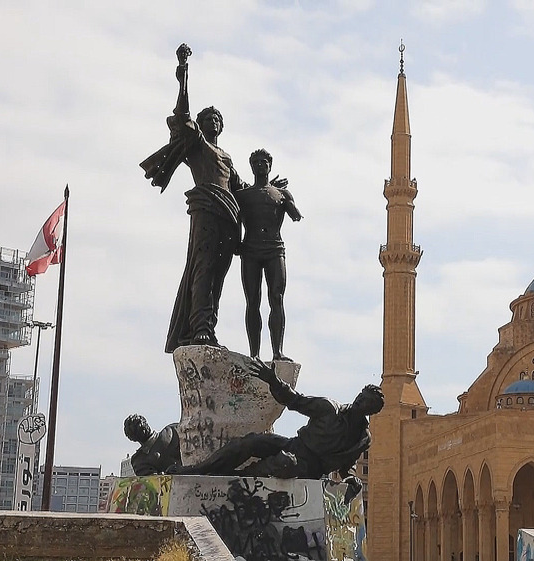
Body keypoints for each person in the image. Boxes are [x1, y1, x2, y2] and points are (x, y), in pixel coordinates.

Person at [140, 43, 245, 352]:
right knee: (203, 268)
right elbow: (182, 113)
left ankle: (208, 328)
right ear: (201, 125)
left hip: (229, 219)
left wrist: (272, 192)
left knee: (218, 277)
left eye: (218, 118)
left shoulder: (226, 158)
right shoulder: (199, 145)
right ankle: (198, 327)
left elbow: (243, 189)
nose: (214, 121)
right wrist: (183, 75)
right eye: (209, 117)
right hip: (207, 212)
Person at [175, 359, 383, 500]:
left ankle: (233, 482)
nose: (359, 402)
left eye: (365, 402)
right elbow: (294, 400)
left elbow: (347, 466)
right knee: (253, 442)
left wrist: (351, 477)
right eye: (360, 397)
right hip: (294, 444)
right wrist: (273, 380)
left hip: (309, 469)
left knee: (283, 463)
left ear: (370, 411)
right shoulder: (329, 408)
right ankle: (197, 471)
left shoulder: (362, 439)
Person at [236, 149, 302, 361]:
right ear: (252, 166)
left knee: (277, 298)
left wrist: (287, 200)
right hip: (251, 249)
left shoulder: (281, 194)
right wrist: (236, 244)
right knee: (252, 300)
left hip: (275, 248)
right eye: (256, 162)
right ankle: (254, 353)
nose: (261, 165)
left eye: (264, 162)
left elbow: (296, 216)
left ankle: (277, 352)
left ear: (270, 165)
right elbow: (235, 222)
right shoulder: (243, 196)